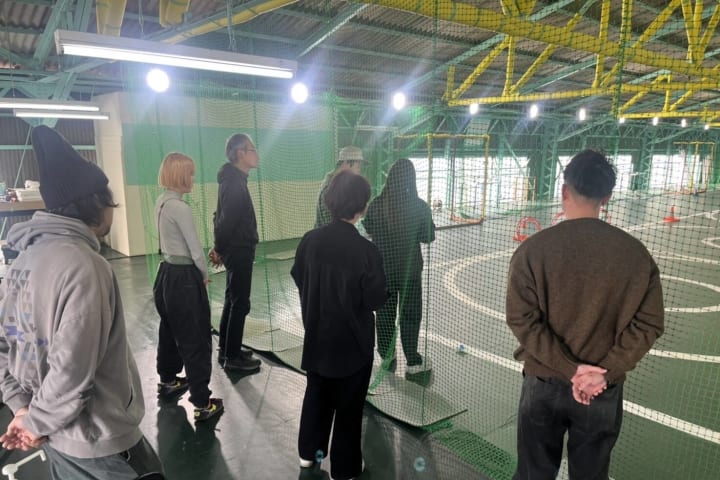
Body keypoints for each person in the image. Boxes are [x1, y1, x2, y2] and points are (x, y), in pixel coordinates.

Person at [0, 125, 163, 479]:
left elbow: (5, 345)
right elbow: (72, 369)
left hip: (55, 438)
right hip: (100, 443)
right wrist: (34, 421)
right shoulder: (86, 266)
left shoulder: (21, 262)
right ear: (95, 203)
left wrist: (23, 410)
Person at [505, 149, 664, 480]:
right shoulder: (636, 255)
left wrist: (568, 368)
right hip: (601, 388)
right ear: (606, 197)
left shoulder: (532, 251)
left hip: (542, 384)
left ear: (564, 190)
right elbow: (649, 323)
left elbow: (522, 319)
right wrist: (603, 373)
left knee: (533, 473)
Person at [291, 171, 387, 480]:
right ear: (362, 206)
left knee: (316, 397)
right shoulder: (367, 251)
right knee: (348, 409)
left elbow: (298, 276)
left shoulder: (310, 241)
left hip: (317, 338)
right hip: (353, 346)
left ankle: (309, 454)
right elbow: (375, 299)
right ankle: (345, 469)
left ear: (331, 200)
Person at [154, 152, 223, 421]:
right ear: (181, 176)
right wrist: (203, 275)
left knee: (169, 329)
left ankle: (168, 380)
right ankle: (203, 403)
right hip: (183, 278)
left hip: (165, 274)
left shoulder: (161, 202)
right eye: (190, 174)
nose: (193, 178)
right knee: (196, 338)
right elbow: (195, 250)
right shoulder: (180, 208)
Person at [362, 158, 435, 384]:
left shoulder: (377, 204)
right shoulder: (419, 206)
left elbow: (368, 228)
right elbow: (428, 236)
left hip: (382, 272)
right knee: (410, 315)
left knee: (384, 314)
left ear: (390, 178)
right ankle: (413, 361)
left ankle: (387, 355)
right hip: (409, 273)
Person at [209, 133, 262, 371]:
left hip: (235, 248)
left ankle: (228, 348)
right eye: (252, 149)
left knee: (233, 299)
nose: (256, 154)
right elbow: (226, 221)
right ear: (240, 153)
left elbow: (219, 217)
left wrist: (220, 248)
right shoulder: (234, 183)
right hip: (239, 249)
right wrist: (219, 249)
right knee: (240, 303)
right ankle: (232, 358)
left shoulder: (233, 180)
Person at [314, 146, 366, 228]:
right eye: (357, 166)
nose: (359, 171)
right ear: (347, 163)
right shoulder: (331, 188)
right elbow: (331, 225)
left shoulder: (336, 185)